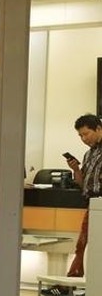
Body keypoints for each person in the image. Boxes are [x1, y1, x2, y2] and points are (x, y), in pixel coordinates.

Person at [65, 114, 102, 277]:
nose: (83, 139)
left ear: (99, 129)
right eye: (80, 135)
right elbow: (83, 185)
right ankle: (76, 281)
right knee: (83, 244)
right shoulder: (89, 154)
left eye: (86, 134)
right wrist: (76, 170)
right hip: (92, 204)